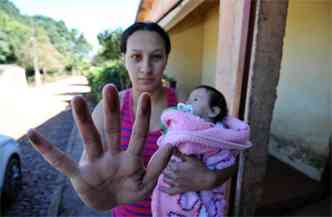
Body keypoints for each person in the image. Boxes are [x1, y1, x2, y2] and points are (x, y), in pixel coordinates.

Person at [27, 22, 238, 216]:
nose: (146, 68)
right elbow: (91, 168)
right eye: (136, 57)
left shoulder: (189, 107)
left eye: (156, 57)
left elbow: (230, 156)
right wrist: (98, 193)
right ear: (124, 58)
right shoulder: (108, 110)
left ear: (166, 59)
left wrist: (210, 178)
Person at [151, 85, 252, 217]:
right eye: (188, 99)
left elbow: (228, 162)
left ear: (213, 111)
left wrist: (210, 178)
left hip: (200, 192)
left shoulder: (218, 135)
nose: (187, 103)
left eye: (196, 99)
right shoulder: (180, 121)